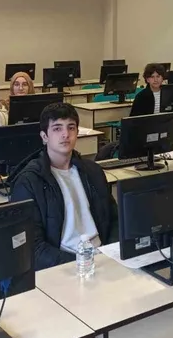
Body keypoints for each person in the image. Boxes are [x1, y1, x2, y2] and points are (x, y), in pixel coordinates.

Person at [9, 102, 117, 270]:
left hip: (102, 258)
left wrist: (112, 253)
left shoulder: (92, 171)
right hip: (64, 265)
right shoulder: (29, 181)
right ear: (44, 136)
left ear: (77, 133)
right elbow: (32, 247)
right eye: (57, 128)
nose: (65, 134)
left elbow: (115, 219)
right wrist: (81, 263)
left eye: (71, 128)